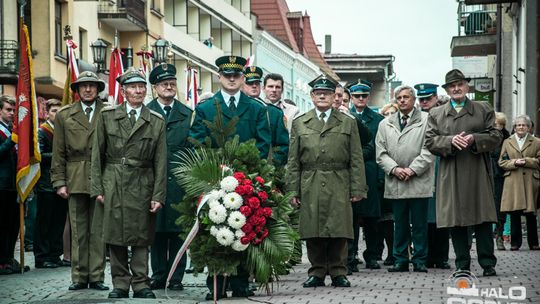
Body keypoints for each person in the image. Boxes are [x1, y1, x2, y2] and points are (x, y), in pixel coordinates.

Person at [189, 55, 270, 300]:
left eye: (236, 76)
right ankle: (217, 283)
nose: (232, 79)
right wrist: (211, 169)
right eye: (227, 75)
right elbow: (195, 143)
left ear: (243, 78)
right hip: (214, 178)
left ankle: (242, 281)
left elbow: (264, 144)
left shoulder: (256, 108)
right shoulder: (205, 108)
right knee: (214, 229)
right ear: (219, 77)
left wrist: (254, 172)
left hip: (247, 179)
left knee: (244, 228)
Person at [91, 68, 167, 299]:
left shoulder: (155, 120)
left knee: (142, 235)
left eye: (141, 87)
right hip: (113, 180)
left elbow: (160, 160)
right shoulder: (107, 116)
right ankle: (120, 284)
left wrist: (158, 195)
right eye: (133, 87)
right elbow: (97, 154)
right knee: (115, 235)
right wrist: (97, 188)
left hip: (143, 182)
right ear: (123, 91)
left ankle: (141, 283)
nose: (138, 90)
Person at [287, 74, 368, 288]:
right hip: (310, 180)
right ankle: (317, 272)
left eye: (327, 93)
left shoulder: (348, 123)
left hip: (339, 179)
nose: (322, 95)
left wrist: (358, 186)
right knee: (312, 228)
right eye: (318, 93)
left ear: (335, 97)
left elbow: (356, 157)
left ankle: (339, 271)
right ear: (312, 96)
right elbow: (293, 160)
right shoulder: (300, 123)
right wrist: (292, 191)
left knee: (339, 227)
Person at [425, 69, 502, 276]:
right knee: (455, 218)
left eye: (460, 84)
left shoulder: (482, 108)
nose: (456, 88)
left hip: (477, 169)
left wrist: (474, 139)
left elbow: (496, 136)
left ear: (467, 86)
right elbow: (430, 141)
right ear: (447, 90)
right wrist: (450, 141)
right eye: (452, 86)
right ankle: (462, 264)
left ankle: (488, 263)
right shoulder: (436, 113)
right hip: (451, 171)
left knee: (483, 217)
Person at [51, 71, 108, 290]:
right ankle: (79, 277)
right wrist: (59, 181)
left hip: (101, 176)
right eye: (83, 86)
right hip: (74, 177)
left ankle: (97, 277)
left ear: (97, 89)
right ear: (76, 90)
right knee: (78, 230)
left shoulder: (108, 112)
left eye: (92, 86)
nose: (87, 89)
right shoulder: (65, 115)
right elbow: (59, 153)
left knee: (98, 231)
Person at [376, 85, 434, 273]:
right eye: (399, 97)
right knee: (399, 224)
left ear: (414, 99)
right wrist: (394, 169)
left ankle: (419, 260)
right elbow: (380, 152)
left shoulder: (426, 120)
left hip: (418, 179)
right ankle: (400, 259)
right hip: (396, 180)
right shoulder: (385, 123)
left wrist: (411, 170)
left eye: (406, 97)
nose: (402, 100)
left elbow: (429, 150)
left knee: (419, 224)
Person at [146, 63, 192, 291]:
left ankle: (176, 277)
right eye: (164, 84)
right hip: (153, 181)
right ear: (155, 88)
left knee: (178, 232)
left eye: (172, 83)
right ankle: (158, 275)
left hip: (180, 183)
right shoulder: (146, 113)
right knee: (156, 233)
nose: (169, 87)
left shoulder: (187, 114)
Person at [413, 83, 451, 270]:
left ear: (436, 98)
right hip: (421, 168)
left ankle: (441, 256)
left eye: (428, 98)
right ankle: (426, 255)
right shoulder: (417, 117)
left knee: (441, 213)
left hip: (441, 166)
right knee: (424, 215)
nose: (425, 102)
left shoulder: (444, 116)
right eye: (421, 99)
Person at [347, 80, 384, 271]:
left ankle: (372, 255)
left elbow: (378, 147)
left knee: (371, 219)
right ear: (351, 97)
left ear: (368, 97)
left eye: (364, 96)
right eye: (356, 96)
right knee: (351, 216)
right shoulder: (346, 116)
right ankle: (350, 256)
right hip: (350, 173)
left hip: (369, 171)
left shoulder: (377, 119)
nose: (360, 99)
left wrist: (379, 178)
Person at [34, 99, 69, 269]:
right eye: (54, 111)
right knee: (44, 222)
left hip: (61, 183)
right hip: (46, 183)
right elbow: (38, 156)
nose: (57, 114)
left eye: (60, 111)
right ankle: (42, 256)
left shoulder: (62, 131)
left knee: (58, 221)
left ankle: (55, 254)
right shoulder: (42, 131)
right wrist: (60, 155)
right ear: (47, 113)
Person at [498, 115, 540, 251]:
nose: (521, 127)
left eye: (524, 125)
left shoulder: (537, 142)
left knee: (531, 213)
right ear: (514, 128)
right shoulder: (507, 141)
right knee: (514, 212)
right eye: (518, 125)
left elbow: (539, 160)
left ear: (529, 127)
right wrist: (514, 162)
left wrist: (527, 161)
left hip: (530, 180)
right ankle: (515, 243)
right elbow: (501, 161)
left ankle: (534, 243)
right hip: (513, 180)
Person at [243, 66, 289, 166]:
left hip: (265, 170)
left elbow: (283, 146)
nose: (254, 86)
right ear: (243, 85)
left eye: (257, 83)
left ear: (261, 87)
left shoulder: (274, 113)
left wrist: (271, 167)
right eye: (250, 83)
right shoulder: (232, 109)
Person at [0, 95, 19, 275]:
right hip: (2, 185)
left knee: (13, 225)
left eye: (13, 110)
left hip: (14, 184)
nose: (12, 113)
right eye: (8, 109)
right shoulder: (5, 132)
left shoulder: (12, 128)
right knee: (2, 226)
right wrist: (11, 140)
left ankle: (8, 258)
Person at [492, 112, 511, 250]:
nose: (494, 126)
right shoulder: (487, 136)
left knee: (500, 206)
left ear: (502, 125)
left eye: (497, 124)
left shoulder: (507, 139)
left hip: (500, 175)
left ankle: (499, 234)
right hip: (486, 174)